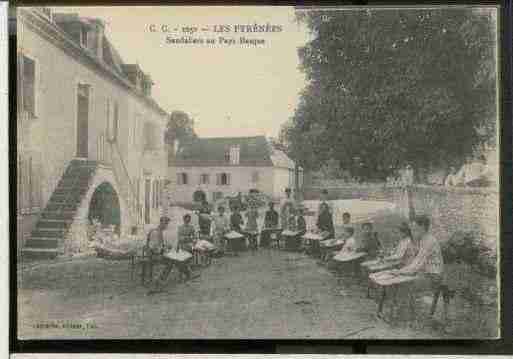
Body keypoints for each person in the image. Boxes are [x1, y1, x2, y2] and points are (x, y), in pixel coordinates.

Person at [392, 215, 447, 320]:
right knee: (403, 282)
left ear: (423, 227)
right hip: (427, 274)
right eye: (412, 229)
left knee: (405, 284)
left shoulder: (429, 241)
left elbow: (417, 264)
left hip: (434, 277)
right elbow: (416, 263)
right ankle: (405, 313)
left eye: (415, 229)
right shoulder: (424, 239)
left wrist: (399, 272)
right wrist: (402, 271)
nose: (412, 232)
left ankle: (405, 316)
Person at [146, 217, 173, 294]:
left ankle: (160, 282)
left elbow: (160, 244)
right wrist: (162, 249)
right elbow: (152, 246)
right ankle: (158, 283)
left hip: (156, 253)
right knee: (170, 262)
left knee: (170, 261)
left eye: (167, 224)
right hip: (153, 255)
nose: (166, 226)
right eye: (165, 224)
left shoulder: (160, 232)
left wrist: (166, 246)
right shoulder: (155, 232)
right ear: (161, 223)